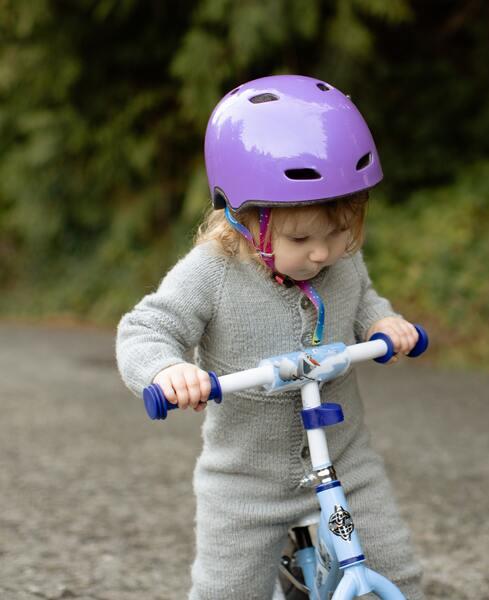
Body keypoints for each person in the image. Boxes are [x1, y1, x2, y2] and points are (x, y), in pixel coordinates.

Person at [116, 75, 424, 599]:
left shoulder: (341, 262)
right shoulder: (211, 273)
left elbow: (366, 299)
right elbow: (147, 328)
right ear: (243, 219)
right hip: (247, 484)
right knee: (227, 592)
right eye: (301, 238)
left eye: (340, 230)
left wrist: (382, 324)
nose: (324, 252)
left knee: (396, 571)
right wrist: (168, 369)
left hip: (345, 465)